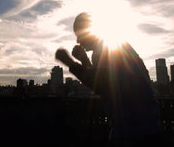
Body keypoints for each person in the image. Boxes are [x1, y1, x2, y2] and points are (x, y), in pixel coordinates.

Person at [56, 12, 163, 146]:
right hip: (147, 127)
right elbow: (106, 80)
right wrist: (84, 60)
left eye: (79, 34)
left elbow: (101, 83)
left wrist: (69, 62)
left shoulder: (106, 48)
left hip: (132, 132)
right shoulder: (116, 45)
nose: (77, 41)